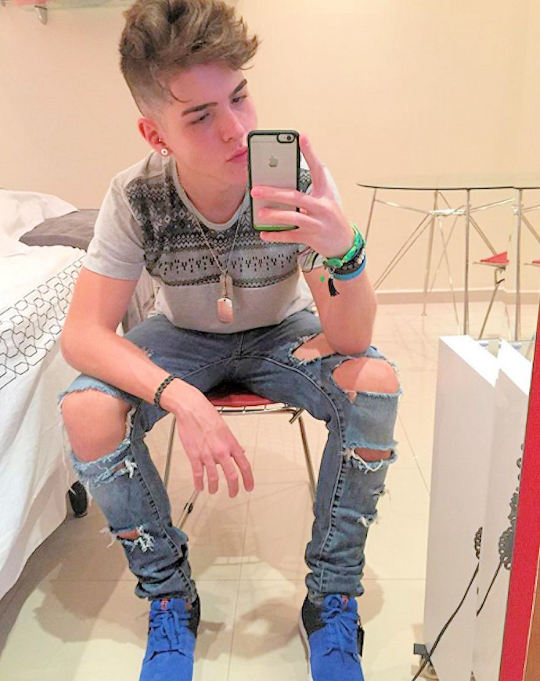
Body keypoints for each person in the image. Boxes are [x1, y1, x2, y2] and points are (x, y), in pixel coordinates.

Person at [57, 1, 401, 680]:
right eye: (200, 115)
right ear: (154, 132)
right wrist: (179, 396)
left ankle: (332, 597)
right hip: (181, 338)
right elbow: (83, 333)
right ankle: (169, 597)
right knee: (86, 409)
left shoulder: (289, 180)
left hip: (281, 331)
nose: (237, 129)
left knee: (376, 382)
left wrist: (345, 250)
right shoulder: (137, 196)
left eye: (239, 96)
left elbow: (351, 336)